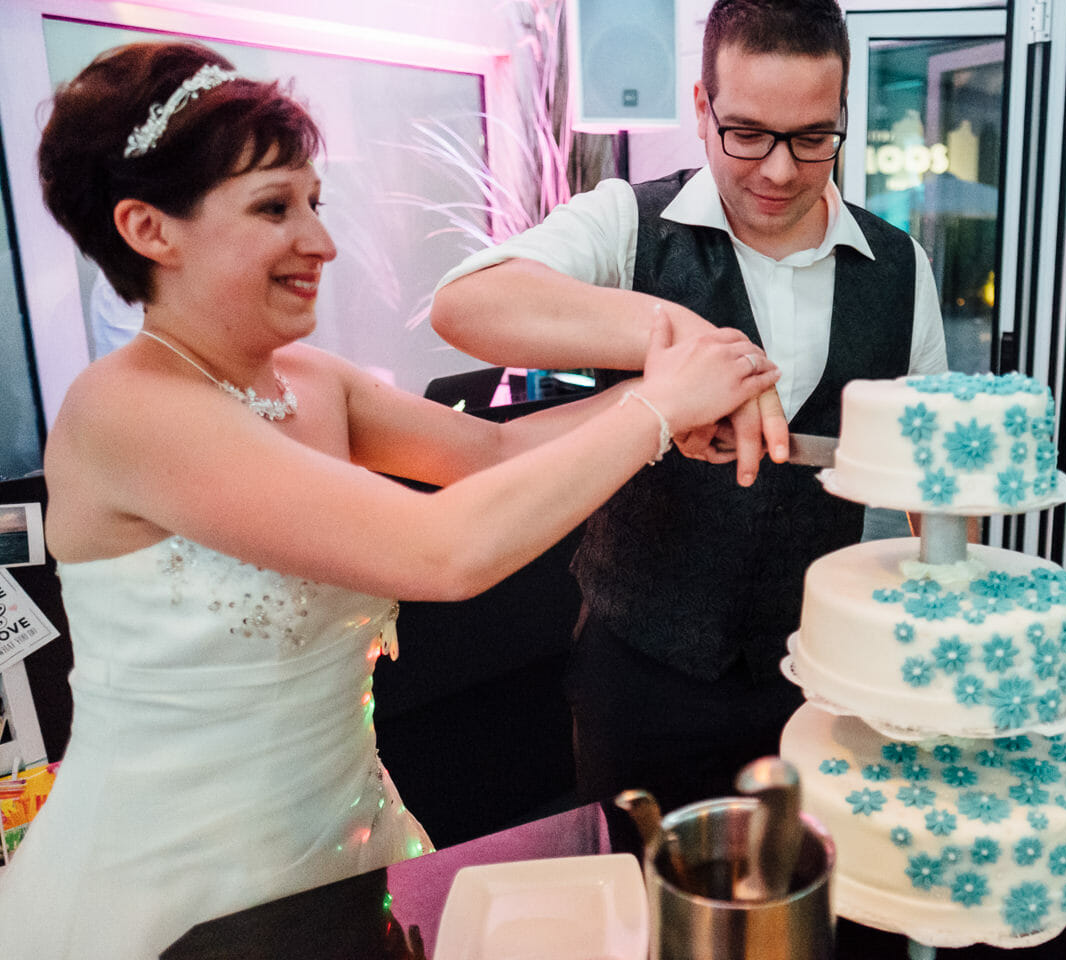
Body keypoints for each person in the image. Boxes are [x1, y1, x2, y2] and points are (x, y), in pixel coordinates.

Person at [0, 41, 779, 960]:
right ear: (148, 229)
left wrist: (665, 410)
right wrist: (655, 408)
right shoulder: (125, 410)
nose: (322, 242)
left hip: (349, 842)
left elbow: (489, 453)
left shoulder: (311, 381)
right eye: (273, 208)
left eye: (314, 204)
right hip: (181, 898)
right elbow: (438, 551)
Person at [429, 0, 948, 810]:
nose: (779, 170)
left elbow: (934, 477)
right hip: (640, 674)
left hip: (820, 677)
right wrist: (681, 337)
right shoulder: (626, 223)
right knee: (645, 902)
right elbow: (467, 307)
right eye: (747, 133)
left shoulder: (900, 266)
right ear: (703, 109)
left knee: (805, 912)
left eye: (812, 137)